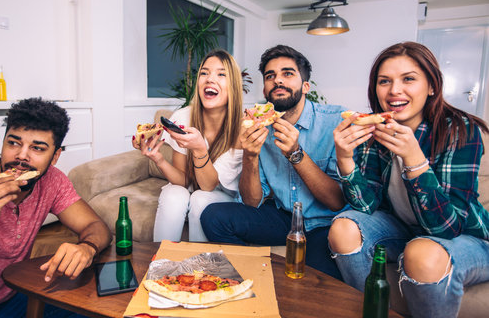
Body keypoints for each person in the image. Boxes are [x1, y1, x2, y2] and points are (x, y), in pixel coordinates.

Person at [328, 41, 489, 317]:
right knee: (343, 229)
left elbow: (446, 228)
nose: (394, 91)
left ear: (432, 86)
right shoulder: (376, 129)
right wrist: (345, 159)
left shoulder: (461, 131)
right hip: (403, 228)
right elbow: (366, 206)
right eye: (384, 81)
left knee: (421, 253)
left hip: (465, 238)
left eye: (408, 79)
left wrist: (415, 160)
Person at [0, 97, 112, 317]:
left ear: (55, 157)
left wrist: (87, 247)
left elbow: (96, 226)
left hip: (17, 294)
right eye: (13, 143)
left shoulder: (52, 180)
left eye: (37, 148)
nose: (21, 156)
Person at [200, 44, 347, 279]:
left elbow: (337, 202)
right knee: (213, 217)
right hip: (283, 217)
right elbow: (251, 202)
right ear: (265, 88)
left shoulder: (335, 122)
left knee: (314, 283)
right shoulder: (260, 125)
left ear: (305, 86)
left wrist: (295, 153)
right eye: (270, 76)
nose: (278, 80)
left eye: (287, 73)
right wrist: (250, 155)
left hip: (324, 223)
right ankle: (247, 277)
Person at [133, 49, 244, 242]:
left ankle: (199, 269)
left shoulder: (241, 128)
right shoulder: (184, 116)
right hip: (194, 188)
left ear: (233, 85)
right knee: (174, 194)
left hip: (225, 197)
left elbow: (208, 186)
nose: (210, 79)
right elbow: (183, 181)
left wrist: (199, 148)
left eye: (221, 74)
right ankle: (161, 262)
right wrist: (158, 159)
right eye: (204, 73)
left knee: (201, 199)